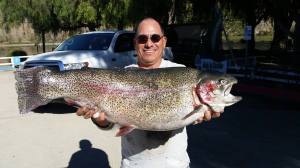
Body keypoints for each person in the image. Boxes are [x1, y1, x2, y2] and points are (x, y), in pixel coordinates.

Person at [76, 17, 221, 168]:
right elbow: (109, 123)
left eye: (155, 38)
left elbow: (187, 115)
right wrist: (101, 120)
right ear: (135, 43)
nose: (149, 43)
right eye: (142, 38)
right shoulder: (123, 76)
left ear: (164, 41)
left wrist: (202, 115)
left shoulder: (182, 72)